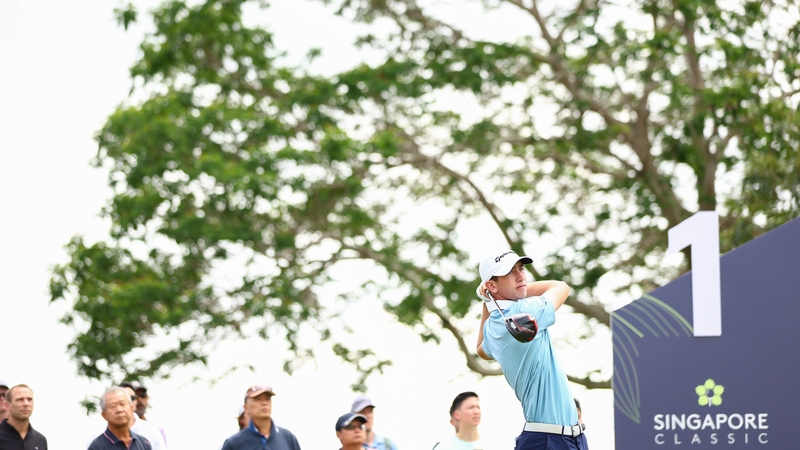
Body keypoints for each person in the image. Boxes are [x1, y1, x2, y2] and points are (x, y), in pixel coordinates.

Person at [476, 249, 588, 450]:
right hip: (549, 440)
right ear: (492, 285)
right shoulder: (525, 310)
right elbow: (560, 286)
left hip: (564, 438)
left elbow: (481, 350)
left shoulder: (493, 327)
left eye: (521, 268)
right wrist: (489, 298)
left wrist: (488, 300)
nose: (521, 276)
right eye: (510, 272)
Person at [221, 385, 301, 450]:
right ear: (246, 408)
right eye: (258, 399)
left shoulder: (288, 437)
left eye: (267, 398)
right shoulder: (233, 443)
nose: (264, 403)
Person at [119, 384, 168, 450]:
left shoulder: (155, 430)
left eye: (142, 395)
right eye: (133, 397)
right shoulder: (106, 433)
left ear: (147, 397)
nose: (139, 400)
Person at [0, 384, 48, 449]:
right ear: (7, 405)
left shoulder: (40, 440)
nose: (26, 404)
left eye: (29, 399)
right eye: (20, 399)